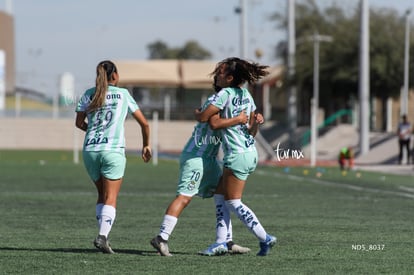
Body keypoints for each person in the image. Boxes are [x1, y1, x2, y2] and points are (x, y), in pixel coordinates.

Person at [150, 79, 252, 256]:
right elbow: (213, 122)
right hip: (196, 157)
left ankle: (227, 241)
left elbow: (203, 116)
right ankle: (161, 238)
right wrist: (238, 119)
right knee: (185, 197)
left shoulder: (226, 102)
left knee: (224, 195)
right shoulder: (216, 101)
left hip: (210, 159)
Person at [196, 57, 277, 256]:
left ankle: (264, 237)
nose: (217, 75)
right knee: (220, 196)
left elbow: (209, 120)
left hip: (238, 154)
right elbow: (251, 132)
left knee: (233, 202)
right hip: (249, 150)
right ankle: (220, 242)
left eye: (221, 72)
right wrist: (256, 122)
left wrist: (199, 113)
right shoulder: (246, 95)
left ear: (230, 78)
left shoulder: (225, 94)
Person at [75, 60, 152, 254]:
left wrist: (93, 131)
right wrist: (146, 145)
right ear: (115, 75)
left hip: (90, 150)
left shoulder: (88, 94)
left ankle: (103, 235)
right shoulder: (124, 94)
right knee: (111, 196)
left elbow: (79, 123)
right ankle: (102, 237)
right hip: (113, 150)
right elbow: (144, 124)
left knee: (102, 195)